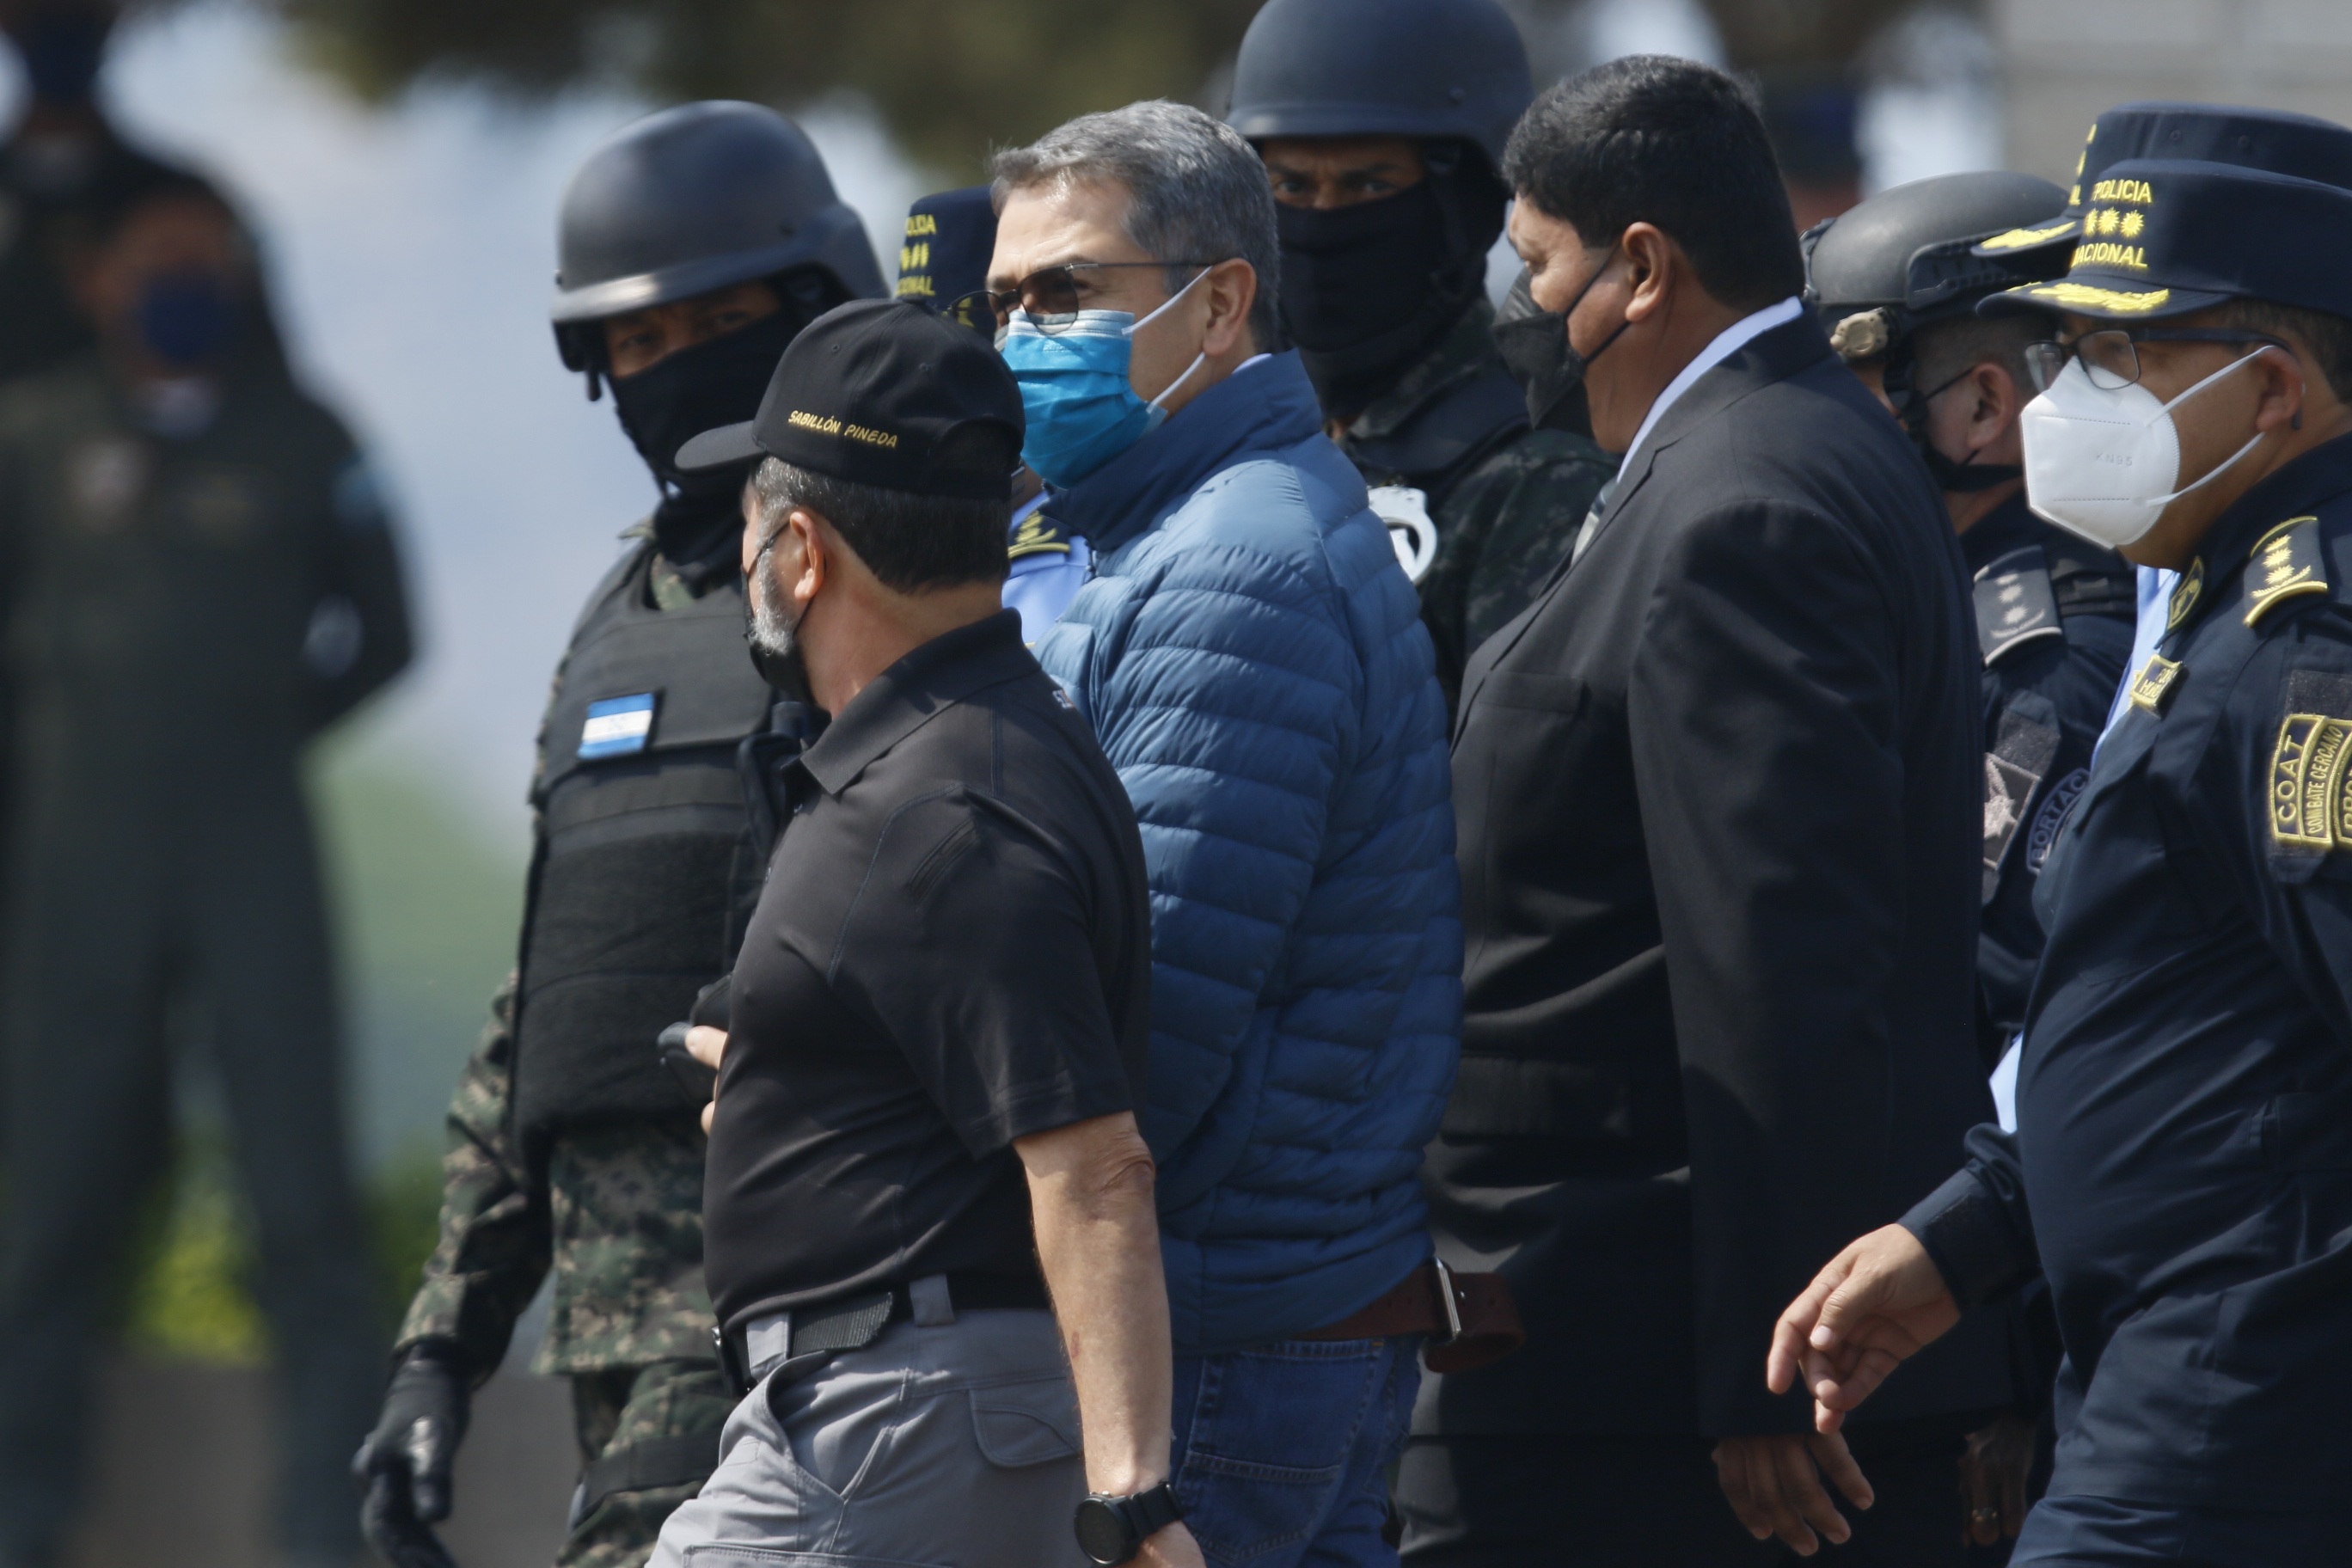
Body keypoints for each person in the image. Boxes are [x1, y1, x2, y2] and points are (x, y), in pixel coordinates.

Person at [1400, 58, 2010, 1567]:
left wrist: (1761, 1362)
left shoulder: (1741, 499)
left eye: (1534, 263)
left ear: (1640, 265)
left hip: (1654, 1393)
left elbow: (1781, 967)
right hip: (1633, 1356)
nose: (1518, 305)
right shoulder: (1762, 448)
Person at [1769, 150, 2352, 1568]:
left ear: (2271, 388)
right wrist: (1974, 1233)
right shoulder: (2222, 599)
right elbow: (2191, 1028)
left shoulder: (2308, 654)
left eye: (2108, 354)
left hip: (2235, 1417)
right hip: (2160, 1379)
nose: (2058, 400)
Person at [353, 101, 883, 1568]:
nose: (670, 367)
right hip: (608, 1325)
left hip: (798, 1288)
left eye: (713, 323)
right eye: (634, 344)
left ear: (813, 309)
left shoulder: (882, 583)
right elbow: (549, 1006)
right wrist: (439, 1351)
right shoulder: (613, 624)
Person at [995, 101, 1479, 1568]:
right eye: (1006, 300)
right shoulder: (1164, 529)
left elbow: (1152, 1023)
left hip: (1214, 1325)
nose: (1025, 335)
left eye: (1069, 292)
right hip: (1249, 1308)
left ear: (1217, 304)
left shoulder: (1232, 569)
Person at [648, 297, 1201, 1568]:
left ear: (798, 550)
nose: (741, 561)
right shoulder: (965, 751)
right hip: (898, 1422)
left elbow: (1094, 1164)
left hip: (899, 1421)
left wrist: (1133, 1500)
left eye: (749, 527)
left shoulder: (945, 803)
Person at [0, 173, 412, 1568]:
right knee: (42, 1206)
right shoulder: (30, 438)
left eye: (217, 263)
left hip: (254, 855)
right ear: (94, 278)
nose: (193, 284)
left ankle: (326, 1532)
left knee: (301, 1204)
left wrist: (249, 729)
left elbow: (389, 630)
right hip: (74, 873)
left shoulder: (307, 436)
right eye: (162, 260)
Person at [1805, 170, 2141, 1558]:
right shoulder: (1921, 593)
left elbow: (1993, 991)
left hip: (1994, 1319)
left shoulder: (2045, 651)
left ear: (1985, 407)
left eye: (1861, 385)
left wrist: (1999, 1362)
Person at [1227, 0, 1617, 706]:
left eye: (1369, 185)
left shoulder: (1537, 481)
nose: (1319, 222)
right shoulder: (1244, 451)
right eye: (1289, 186)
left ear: (1463, 201)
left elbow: (1522, 790)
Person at [899, 184, 1089, 642]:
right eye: (908, 360)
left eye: (960, 362)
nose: (926, 390)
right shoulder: (921, 545)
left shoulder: (1066, 565)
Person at [0, 0, 199, 381]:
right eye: (43, 10)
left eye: (85, 10)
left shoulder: (178, 201)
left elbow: (254, 374)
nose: (66, 21)